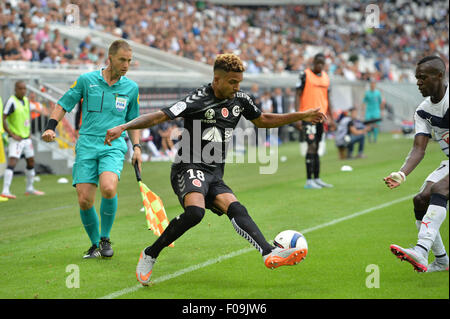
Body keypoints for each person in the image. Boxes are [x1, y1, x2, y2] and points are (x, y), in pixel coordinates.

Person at [104, 53, 326, 286]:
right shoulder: (197, 99)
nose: (237, 87)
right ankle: (150, 253)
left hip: (214, 172)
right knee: (195, 213)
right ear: (217, 79)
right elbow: (160, 116)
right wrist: (124, 126)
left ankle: (268, 253)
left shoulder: (241, 99)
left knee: (236, 208)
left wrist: (302, 115)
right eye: (232, 82)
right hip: (187, 166)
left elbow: (264, 120)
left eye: (239, 82)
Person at [41, 40, 142, 259]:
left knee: (108, 187)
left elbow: (134, 121)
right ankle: (95, 245)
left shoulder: (131, 88)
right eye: (122, 60)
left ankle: (105, 238)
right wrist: (51, 127)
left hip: (113, 145)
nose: (126, 64)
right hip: (87, 144)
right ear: (110, 58)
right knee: (84, 199)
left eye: (129, 60)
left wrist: (136, 147)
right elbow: (63, 103)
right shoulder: (87, 80)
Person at [384, 55, 449, 273]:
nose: (418, 82)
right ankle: (441, 261)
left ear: (439, 76)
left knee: (440, 188)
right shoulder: (423, 110)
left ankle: (421, 250)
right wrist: (401, 174)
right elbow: (419, 149)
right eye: (417, 78)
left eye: (423, 78)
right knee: (421, 200)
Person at [295, 53, 336, 189]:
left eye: (322, 63)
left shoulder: (326, 78)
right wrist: (297, 116)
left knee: (317, 147)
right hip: (308, 117)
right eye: (317, 63)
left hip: (321, 118)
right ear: (313, 62)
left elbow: (328, 98)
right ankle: (309, 180)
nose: (319, 66)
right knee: (311, 146)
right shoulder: (305, 75)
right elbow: (297, 94)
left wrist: (332, 118)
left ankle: (317, 178)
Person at [1, 81, 45, 199]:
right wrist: (11, 134)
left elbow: (27, 116)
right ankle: (5, 190)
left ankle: (29, 188)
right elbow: (3, 118)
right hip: (16, 139)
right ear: (15, 89)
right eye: (21, 89)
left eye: (24, 89)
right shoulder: (11, 101)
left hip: (26, 138)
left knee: (31, 161)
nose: (23, 91)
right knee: (12, 162)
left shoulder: (26, 100)